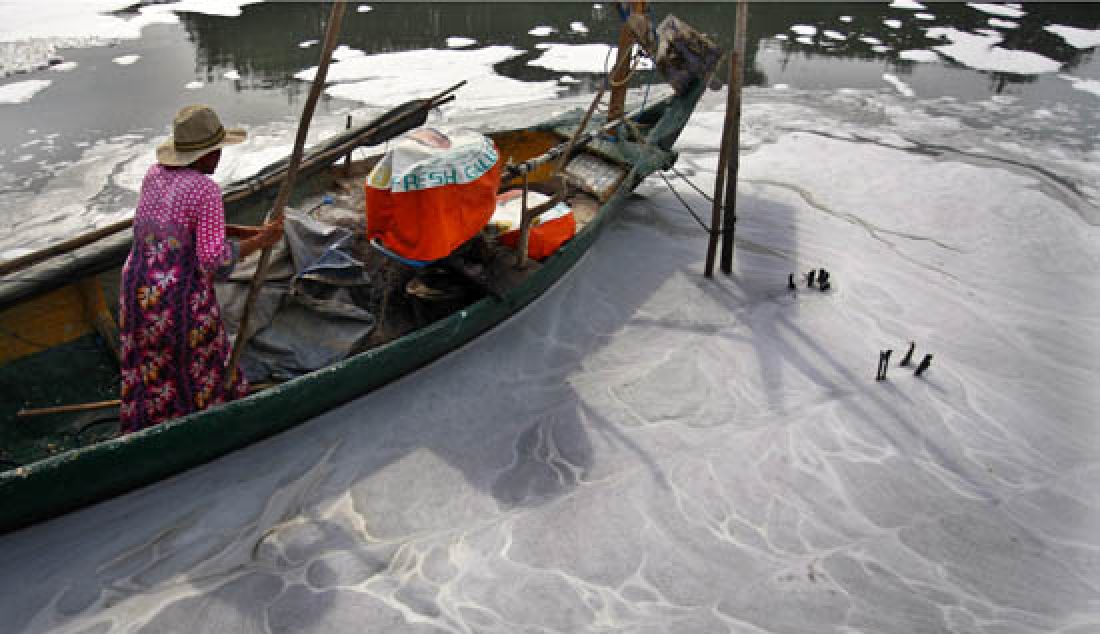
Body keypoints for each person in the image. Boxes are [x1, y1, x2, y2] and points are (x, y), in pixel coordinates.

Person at [118, 105, 282, 433]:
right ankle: (201, 428)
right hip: (176, 303)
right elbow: (214, 261)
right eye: (216, 149)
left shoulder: (154, 174)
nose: (220, 155)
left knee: (151, 368)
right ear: (203, 155)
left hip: (136, 293)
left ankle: (150, 425)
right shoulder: (206, 190)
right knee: (197, 368)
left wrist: (238, 231)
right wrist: (263, 241)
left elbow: (179, 227)